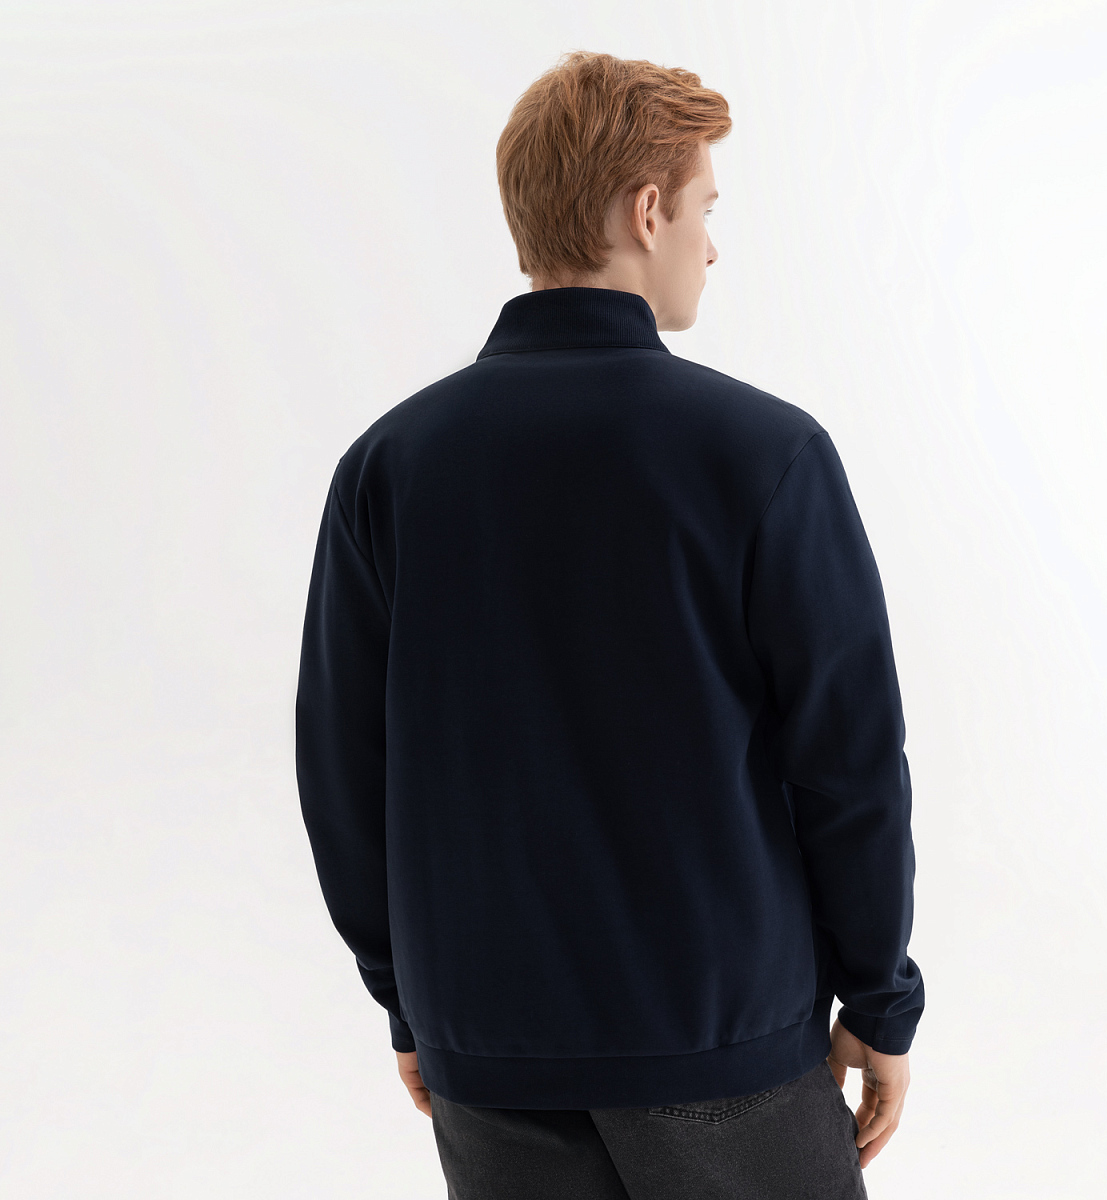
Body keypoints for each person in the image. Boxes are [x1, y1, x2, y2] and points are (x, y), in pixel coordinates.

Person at [295, 49, 924, 1200]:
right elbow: (849, 763)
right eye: (704, 209)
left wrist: (408, 999)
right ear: (646, 211)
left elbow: (344, 774)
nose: (711, 245)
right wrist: (880, 1000)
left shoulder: (390, 467)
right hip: (727, 1046)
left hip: (489, 1052)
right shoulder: (765, 454)